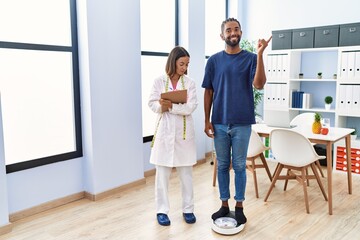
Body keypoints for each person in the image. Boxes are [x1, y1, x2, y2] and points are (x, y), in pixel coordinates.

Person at [202, 17, 271, 225]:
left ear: (240, 33)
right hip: (220, 123)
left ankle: (239, 207)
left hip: (242, 122)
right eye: (229, 30)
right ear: (222, 35)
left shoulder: (251, 58)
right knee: (222, 165)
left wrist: (260, 55)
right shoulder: (214, 61)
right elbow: (209, 92)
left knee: (240, 165)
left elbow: (259, 85)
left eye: (237, 29)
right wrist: (207, 120)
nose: (233, 33)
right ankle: (224, 205)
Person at [148, 46, 198, 226]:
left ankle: (188, 209)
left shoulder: (190, 83)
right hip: (165, 133)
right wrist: (161, 105)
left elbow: (191, 107)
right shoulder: (159, 81)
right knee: (162, 176)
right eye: (181, 63)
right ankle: (161, 211)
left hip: (184, 135)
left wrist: (171, 107)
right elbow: (151, 104)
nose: (184, 67)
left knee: (186, 175)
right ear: (173, 62)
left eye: (186, 64)